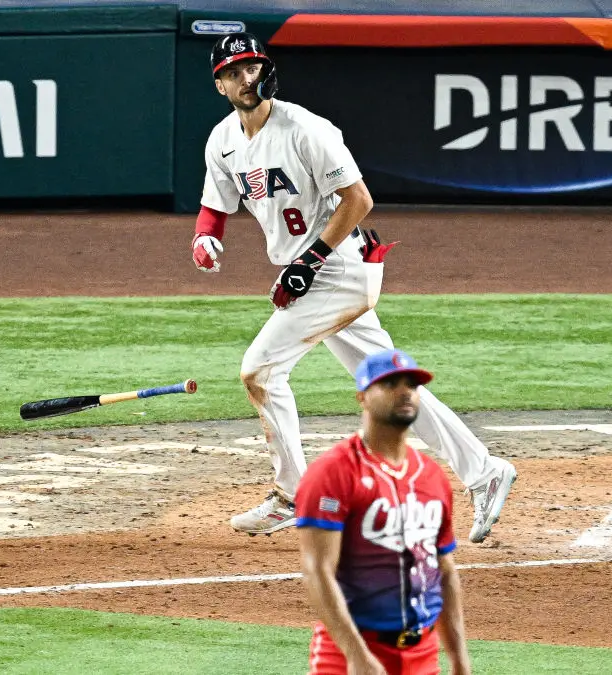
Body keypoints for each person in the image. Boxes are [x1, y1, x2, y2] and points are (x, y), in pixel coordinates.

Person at [192, 32, 515, 543]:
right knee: (389, 389)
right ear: (220, 85)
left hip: (341, 266)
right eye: (233, 72)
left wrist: (310, 261)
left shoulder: (306, 129)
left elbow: (358, 199)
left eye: (252, 67)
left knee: (260, 371)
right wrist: (205, 237)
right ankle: (485, 470)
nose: (245, 78)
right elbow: (216, 202)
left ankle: (291, 495)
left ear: (266, 70)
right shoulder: (223, 139)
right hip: (317, 271)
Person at [295, 349, 472, 675]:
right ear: (362, 397)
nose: (404, 391)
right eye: (390, 383)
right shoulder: (332, 473)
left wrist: (459, 658)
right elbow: (317, 569)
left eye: (412, 384)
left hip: (422, 655)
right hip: (349, 653)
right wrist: (356, 656)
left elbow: (444, 569)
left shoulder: (432, 477)